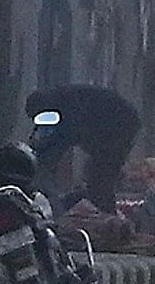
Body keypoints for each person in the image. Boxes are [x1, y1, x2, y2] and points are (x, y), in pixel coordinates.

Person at [24, 81, 142, 210]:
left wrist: (42, 160)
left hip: (119, 126)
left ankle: (106, 216)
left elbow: (66, 137)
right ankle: (103, 210)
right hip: (111, 127)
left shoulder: (66, 104)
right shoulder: (58, 104)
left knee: (100, 177)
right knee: (97, 176)